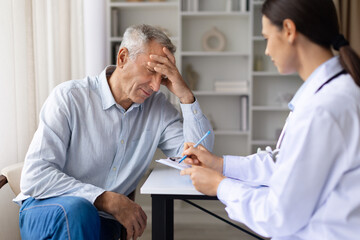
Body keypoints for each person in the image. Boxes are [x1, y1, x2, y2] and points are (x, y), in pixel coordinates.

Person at [14, 24, 214, 240]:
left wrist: (185, 95)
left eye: (163, 77)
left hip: (104, 218)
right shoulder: (69, 98)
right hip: (48, 208)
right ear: (122, 58)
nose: (156, 86)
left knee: (88, 216)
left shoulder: (158, 108)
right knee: (79, 211)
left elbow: (197, 158)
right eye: (151, 71)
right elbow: (35, 176)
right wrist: (105, 199)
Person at [181, 0, 360, 239]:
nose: (266, 50)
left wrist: (220, 185)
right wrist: (218, 164)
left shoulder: (324, 108)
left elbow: (278, 216)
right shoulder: (333, 93)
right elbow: (283, 166)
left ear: (288, 30)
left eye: (266, 38)